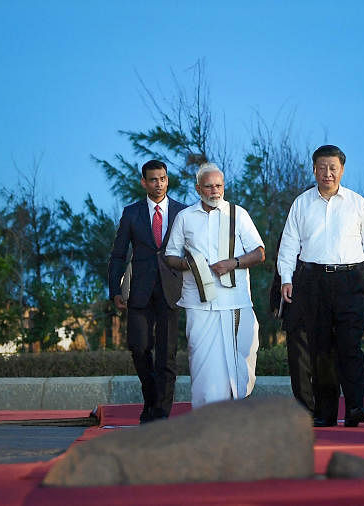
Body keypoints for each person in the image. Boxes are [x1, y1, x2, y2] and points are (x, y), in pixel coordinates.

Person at [278, 145, 364, 427]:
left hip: (351, 281)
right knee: (321, 350)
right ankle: (325, 413)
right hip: (313, 282)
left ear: (342, 170)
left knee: (350, 346)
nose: (328, 173)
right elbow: (289, 245)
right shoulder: (301, 203)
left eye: (333, 167)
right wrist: (286, 279)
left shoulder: (357, 203)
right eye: (322, 167)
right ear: (314, 169)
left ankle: (355, 407)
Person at [164, 163, 265, 408]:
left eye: (218, 185)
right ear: (198, 188)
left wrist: (233, 263)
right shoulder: (185, 217)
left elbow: (260, 253)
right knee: (202, 362)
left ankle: (237, 410)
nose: (214, 191)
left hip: (235, 301)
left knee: (243, 355)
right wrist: (190, 265)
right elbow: (170, 256)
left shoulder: (238, 214)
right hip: (199, 303)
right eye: (208, 186)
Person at [107, 159, 185, 423]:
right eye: (153, 179)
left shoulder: (182, 212)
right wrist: (114, 289)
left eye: (162, 178)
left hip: (171, 290)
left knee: (167, 354)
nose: (159, 184)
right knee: (139, 348)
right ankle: (151, 400)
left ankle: (160, 413)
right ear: (144, 182)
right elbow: (118, 254)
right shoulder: (132, 213)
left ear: (167, 179)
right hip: (139, 290)